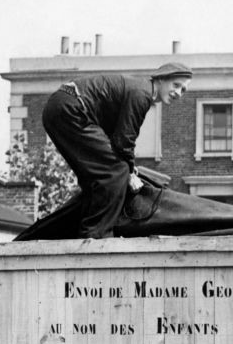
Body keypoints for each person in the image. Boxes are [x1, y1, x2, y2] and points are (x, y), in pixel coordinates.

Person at [41, 62, 193, 238]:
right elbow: (124, 141)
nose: (178, 93)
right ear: (160, 79)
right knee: (116, 171)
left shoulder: (139, 90)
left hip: (60, 108)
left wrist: (129, 166)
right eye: (176, 85)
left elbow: (115, 141)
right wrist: (129, 171)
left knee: (97, 177)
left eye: (183, 90)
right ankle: (96, 235)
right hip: (71, 109)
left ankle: (77, 232)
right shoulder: (141, 94)